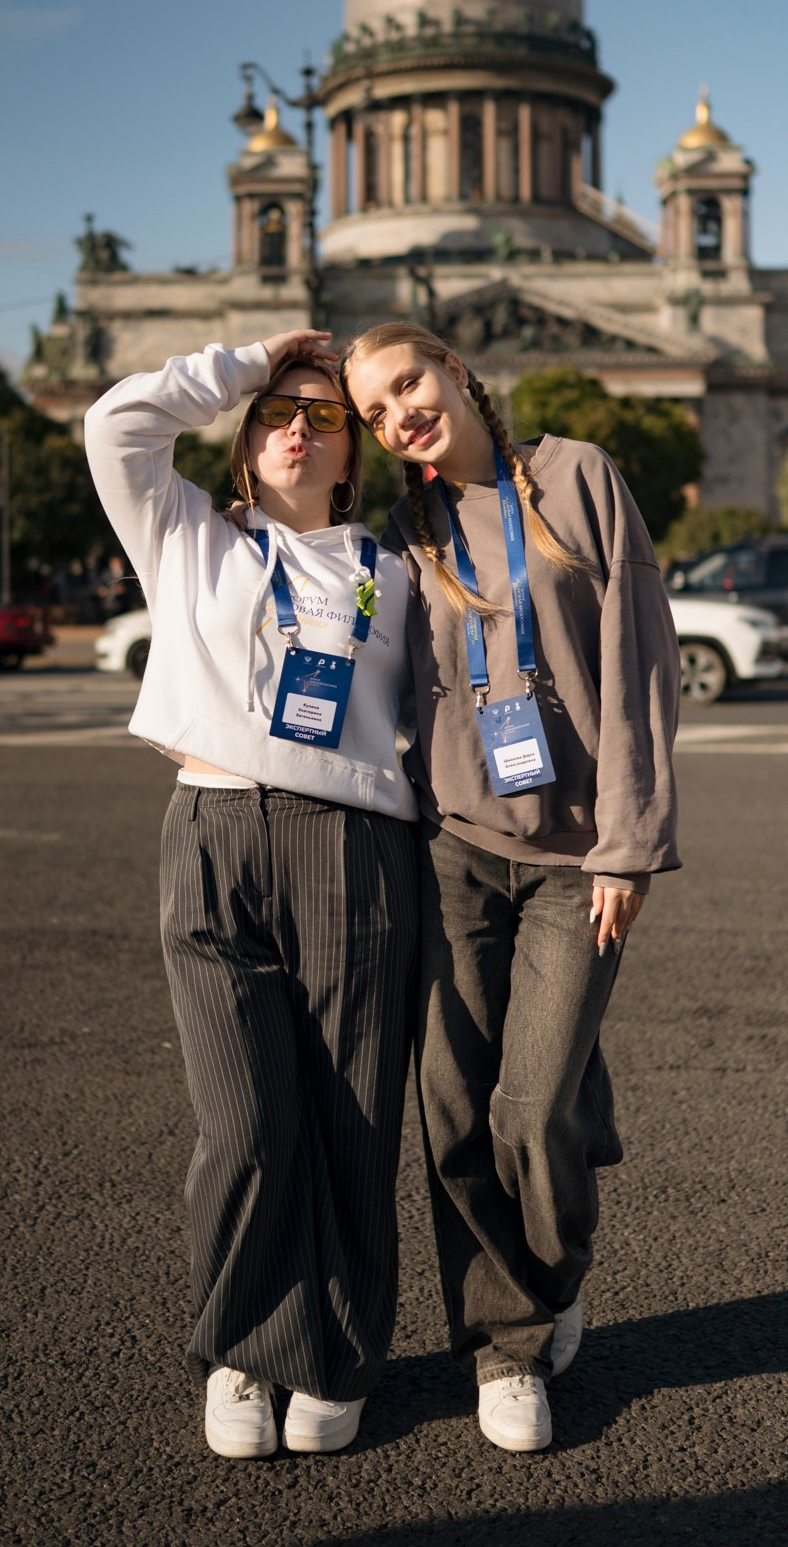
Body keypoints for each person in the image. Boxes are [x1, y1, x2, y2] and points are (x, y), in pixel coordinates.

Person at [341, 321, 680, 1454]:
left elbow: (638, 663)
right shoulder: (405, 525)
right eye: (376, 412)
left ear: (453, 366)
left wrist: (628, 842)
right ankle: (505, 1345)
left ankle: (549, 1259)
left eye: (409, 385)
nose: (401, 416)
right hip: (450, 848)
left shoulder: (577, 474)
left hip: (577, 857)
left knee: (531, 1110)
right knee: (453, 1102)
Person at [84, 331, 418, 1460]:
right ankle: (238, 1348)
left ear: (351, 454)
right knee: (245, 1122)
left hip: (354, 845)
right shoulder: (183, 536)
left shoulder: (399, 567)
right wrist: (247, 360)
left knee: (354, 1122)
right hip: (213, 830)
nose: (295, 428)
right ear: (242, 436)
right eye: (277, 411)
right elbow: (114, 425)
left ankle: (337, 1352)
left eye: (324, 418)